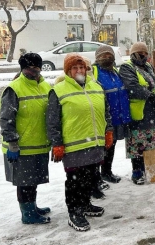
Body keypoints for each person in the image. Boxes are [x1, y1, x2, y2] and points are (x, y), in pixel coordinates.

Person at [47, 54, 113, 231]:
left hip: (94, 141)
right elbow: (52, 121)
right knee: (75, 180)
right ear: (68, 71)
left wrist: (108, 131)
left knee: (90, 176)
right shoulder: (59, 90)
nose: (79, 71)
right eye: (75, 68)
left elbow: (106, 111)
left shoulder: (96, 86)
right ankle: (74, 211)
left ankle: (85, 204)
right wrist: (57, 143)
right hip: (73, 145)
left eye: (82, 67)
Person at [0, 53, 52, 224]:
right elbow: (7, 119)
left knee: (33, 180)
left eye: (37, 68)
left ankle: (32, 205)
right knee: (25, 182)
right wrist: (12, 144)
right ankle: (27, 213)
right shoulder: (14, 88)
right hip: (21, 147)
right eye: (30, 69)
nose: (34, 72)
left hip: (39, 144)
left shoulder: (44, 86)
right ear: (23, 69)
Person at [119, 42, 155, 185]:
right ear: (132, 55)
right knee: (137, 143)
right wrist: (150, 95)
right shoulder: (127, 67)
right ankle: (137, 171)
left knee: (151, 141)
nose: (142, 56)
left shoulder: (149, 67)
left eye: (144, 54)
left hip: (152, 110)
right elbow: (132, 86)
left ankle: (149, 167)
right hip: (138, 112)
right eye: (139, 54)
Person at [92, 46, 132, 195]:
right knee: (100, 150)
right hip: (102, 118)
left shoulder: (114, 72)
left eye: (109, 55)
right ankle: (96, 179)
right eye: (103, 55)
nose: (107, 58)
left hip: (116, 117)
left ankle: (107, 172)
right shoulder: (94, 72)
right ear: (97, 58)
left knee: (111, 145)